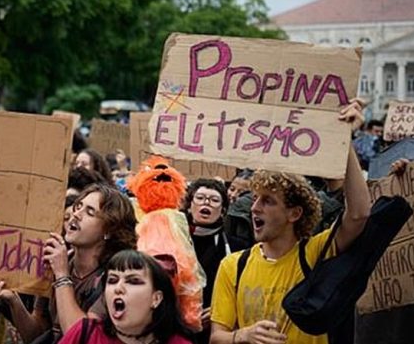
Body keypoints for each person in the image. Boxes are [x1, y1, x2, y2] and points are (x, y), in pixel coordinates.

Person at [209, 102, 371, 344]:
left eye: (268, 201)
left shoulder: (316, 254)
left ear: (294, 214)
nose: (254, 208)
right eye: (255, 199)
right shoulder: (233, 266)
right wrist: (241, 335)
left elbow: (358, 214)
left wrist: (344, 140)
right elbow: (216, 337)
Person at [0, 183, 137, 343]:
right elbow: (36, 334)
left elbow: (80, 338)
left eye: (89, 212)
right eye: (78, 207)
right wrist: (13, 300)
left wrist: (62, 275)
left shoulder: (115, 278)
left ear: (109, 230)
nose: (76, 215)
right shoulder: (56, 264)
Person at [60, 250, 192, 344]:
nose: (118, 288)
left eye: (133, 281)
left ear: (156, 298)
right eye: (112, 280)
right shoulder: (85, 332)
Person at [183, 179, 248, 343]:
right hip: (179, 327)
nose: (206, 203)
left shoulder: (238, 248)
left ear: (223, 210)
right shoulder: (174, 241)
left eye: (214, 200)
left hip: (218, 330)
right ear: (189, 205)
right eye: (200, 198)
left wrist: (220, 311)